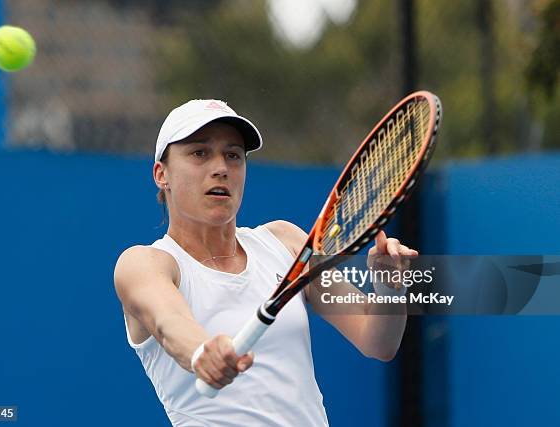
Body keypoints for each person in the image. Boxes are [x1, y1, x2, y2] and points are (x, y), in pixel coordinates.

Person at [114, 99, 416, 426]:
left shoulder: (286, 243)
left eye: (233, 155)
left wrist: (390, 287)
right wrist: (203, 352)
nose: (221, 167)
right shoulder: (144, 264)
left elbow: (377, 340)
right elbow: (168, 320)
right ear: (162, 174)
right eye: (199, 153)